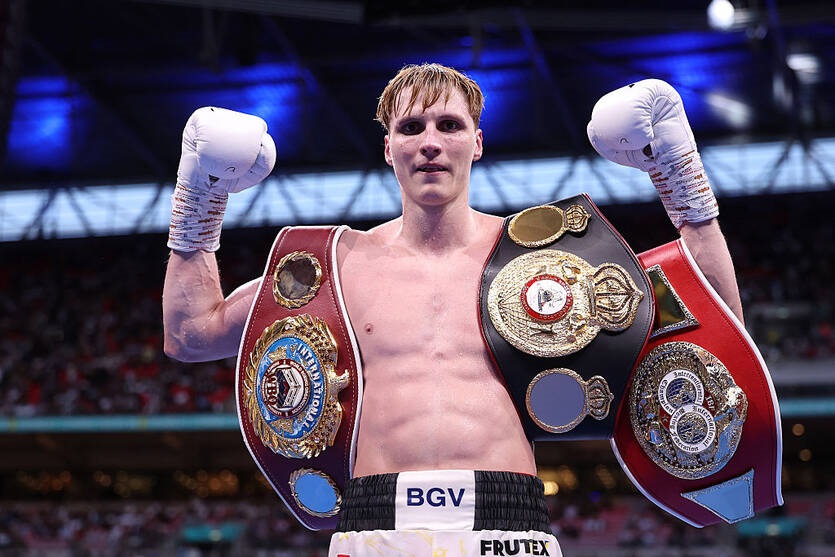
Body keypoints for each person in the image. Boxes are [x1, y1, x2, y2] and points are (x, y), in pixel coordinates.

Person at [162, 63, 744, 556]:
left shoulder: (549, 261)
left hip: (509, 521)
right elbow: (190, 335)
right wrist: (200, 198)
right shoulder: (337, 267)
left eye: (449, 125)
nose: (430, 141)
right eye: (411, 127)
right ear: (388, 147)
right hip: (373, 522)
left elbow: (715, 313)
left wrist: (678, 174)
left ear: (477, 142)